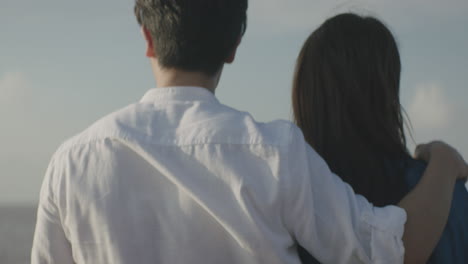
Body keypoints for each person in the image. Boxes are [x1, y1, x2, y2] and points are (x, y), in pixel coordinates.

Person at [31, 1, 467, 264]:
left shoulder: (72, 163)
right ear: (235, 46)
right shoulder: (275, 153)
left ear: (147, 37)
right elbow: (391, 251)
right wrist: (445, 163)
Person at [292, 13, 468, 264]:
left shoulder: (290, 196)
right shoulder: (442, 192)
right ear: (387, 92)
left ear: (306, 97)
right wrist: (444, 160)